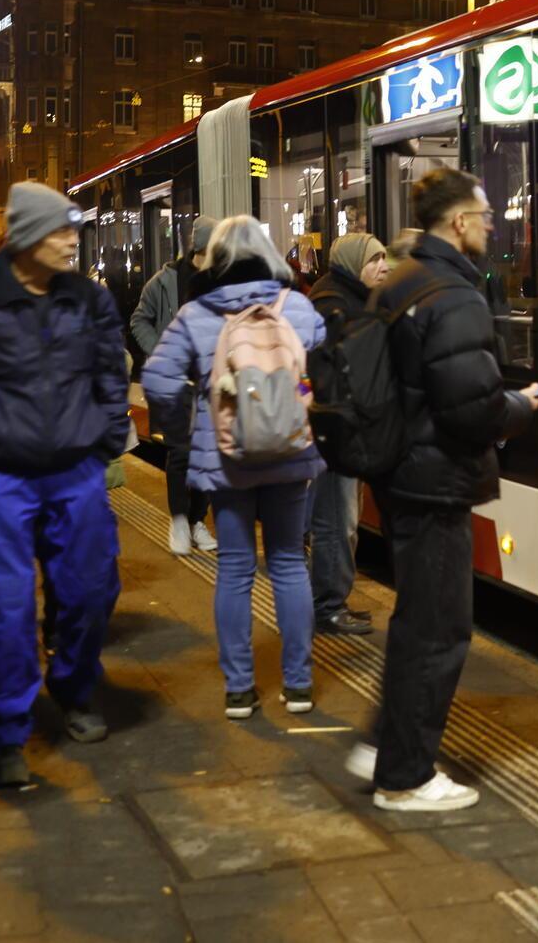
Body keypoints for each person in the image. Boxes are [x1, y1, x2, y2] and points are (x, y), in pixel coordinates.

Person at [349, 168, 538, 811]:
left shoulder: (400, 279)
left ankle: (383, 743)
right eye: (484, 215)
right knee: (439, 629)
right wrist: (522, 404)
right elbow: (471, 410)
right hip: (435, 483)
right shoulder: (454, 295)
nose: (491, 224)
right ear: (458, 222)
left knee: (416, 621)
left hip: (400, 474)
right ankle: (405, 777)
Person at [0, 184, 131, 790]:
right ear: (24, 237)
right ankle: (6, 729)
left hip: (76, 472)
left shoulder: (91, 301)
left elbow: (109, 372)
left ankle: (74, 688)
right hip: (2, 479)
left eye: (73, 229)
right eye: (58, 230)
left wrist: (105, 440)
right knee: (8, 607)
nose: (72, 240)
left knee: (90, 590)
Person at [141, 215, 327, 720]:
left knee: (236, 569)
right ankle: (300, 684)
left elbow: (156, 379)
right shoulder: (298, 308)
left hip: (225, 461)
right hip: (290, 456)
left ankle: (241, 691)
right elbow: (324, 365)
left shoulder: (196, 313)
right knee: (289, 563)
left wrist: (188, 424)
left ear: (215, 257)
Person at [307, 232, 390, 637]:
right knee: (337, 521)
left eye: (384, 259)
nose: (384, 267)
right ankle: (327, 606)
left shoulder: (349, 297)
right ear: (354, 262)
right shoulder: (333, 305)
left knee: (341, 519)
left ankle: (331, 600)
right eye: (374, 260)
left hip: (344, 427)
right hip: (337, 430)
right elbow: (337, 371)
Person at [131, 218, 220, 555]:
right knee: (181, 452)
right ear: (202, 248)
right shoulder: (165, 281)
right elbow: (140, 319)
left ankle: (198, 520)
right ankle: (180, 520)